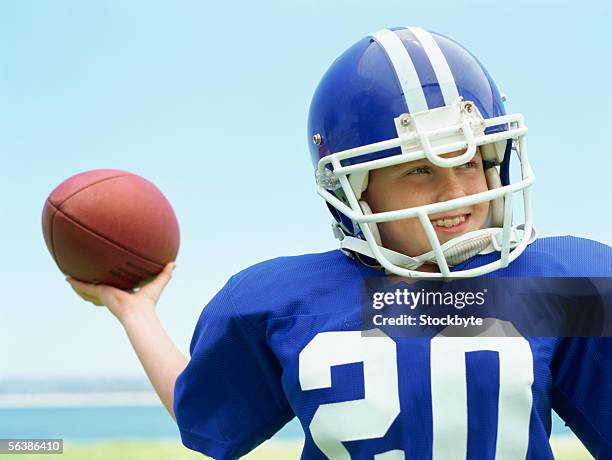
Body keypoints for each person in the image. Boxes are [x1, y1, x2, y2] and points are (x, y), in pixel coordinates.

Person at [66, 27, 612, 459]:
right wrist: (135, 311)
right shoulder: (281, 303)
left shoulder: (562, 284)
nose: (457, 192)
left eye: (471, 161)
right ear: (353, 191)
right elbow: (200, 415)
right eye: (420, 169)